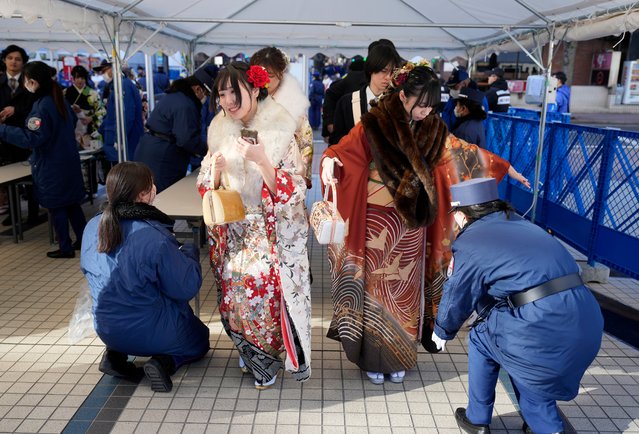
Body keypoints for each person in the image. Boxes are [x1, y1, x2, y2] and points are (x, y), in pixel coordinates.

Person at [320, 62, 530, 385]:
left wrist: (504, 167)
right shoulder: (374, 124)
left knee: (405, 293)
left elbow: (463, 154)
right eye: (421, 104)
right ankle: (374, 357)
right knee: (377, 290)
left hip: (412, 226)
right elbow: (342, 150)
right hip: (377, 220)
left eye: (432, 105)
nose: (427, 111)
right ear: (403, 95)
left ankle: (400, 354)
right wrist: (329, 162)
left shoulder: (433, 128)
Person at [433, 177, 603, 434]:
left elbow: (457, 291)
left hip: (540, 329)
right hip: (587, 321)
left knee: (483, 338)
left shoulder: (471, 241)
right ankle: (534, 418)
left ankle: (478, 419)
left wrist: (442, 330)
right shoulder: (526, 225)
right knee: (519, 352)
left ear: (461, 215)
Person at [196, 62, 311, 389]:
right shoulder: (220, 129)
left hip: (270, 233)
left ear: (256, 90)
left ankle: (266, 359)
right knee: (233, 291)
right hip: (233, 230)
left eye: (236, 92)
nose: (228, 100)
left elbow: (296, 187)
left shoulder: (280, 130)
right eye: (222, 93)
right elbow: (206, 182)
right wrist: (216, 171)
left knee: (261, 287)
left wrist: (262, 160)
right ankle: (250, 350)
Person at [80, 162, 209, 393]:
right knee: (200, 339)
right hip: (154, 332)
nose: (155, 188)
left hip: (106, 329)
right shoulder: (153, 236)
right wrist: (189, 252)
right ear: (143, 194)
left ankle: (115, 357)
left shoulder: (92, 226)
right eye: (152, 185)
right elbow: (185, 287)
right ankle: (163, 362)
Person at [0, 61, 87, 258]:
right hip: (68, 160)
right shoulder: (57, 99)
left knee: (57, 206)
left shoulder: (41, 106)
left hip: (51, 164)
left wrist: (3, 130)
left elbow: (32, 137)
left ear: (32, 81)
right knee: (72, 203)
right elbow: (72, 122)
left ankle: (65, 248)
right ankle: (83, 239)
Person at [133, 67, 215, 192]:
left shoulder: (177, 96)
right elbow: (187, 139)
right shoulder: (186, 104)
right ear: (198, 89)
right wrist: (210, 151)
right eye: (206, 94)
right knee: (162, 197)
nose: (205, 99)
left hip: (152, 150)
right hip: (163, 158)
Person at [250, 46, 314, 188]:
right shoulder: (250, 98)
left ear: (281, 74)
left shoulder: (291, 103)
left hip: (285, 170)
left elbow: (306, 140)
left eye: (271, 76)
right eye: (261, 75)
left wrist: (302, 172)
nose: (266, 80)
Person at [330, 43, 401, 145]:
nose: (388, 77)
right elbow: (336, 140)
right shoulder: (347, 103)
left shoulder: (398, 104)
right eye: (384, 71)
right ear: (371, 69)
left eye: (392, 73)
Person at [0, 44, 40, 225]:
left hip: (24, 135)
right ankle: (14, 213)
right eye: (10, 58)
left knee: (29, 175)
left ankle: (33, 212)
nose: (13, 62)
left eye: (17, 59)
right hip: (3, 138)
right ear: (4, 60)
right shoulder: (0, 81)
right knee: (8, 177)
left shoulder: (29, 82)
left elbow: (35, 108)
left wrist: (16, 109)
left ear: (23, 63)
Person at [93, 59, 144, 170]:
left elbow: (127, 115)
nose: (103, 74)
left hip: (126, 143)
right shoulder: (116, 87)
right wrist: (100, 130)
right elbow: (112, 115)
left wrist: (119, 138)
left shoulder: (123, 86)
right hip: (117, 143)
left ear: (114, 68)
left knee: (127, 175)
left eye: (105, 70)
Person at [321, 54, 366, 143]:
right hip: (362, 130)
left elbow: (329, 97)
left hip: (342, 130)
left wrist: (328, 124)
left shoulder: (344, 81)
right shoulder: (369, 82)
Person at [64, 65, 106, 149]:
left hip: (88, 127)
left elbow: (102, 110)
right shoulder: (66, 92)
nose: (80, 80)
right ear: (73, 78)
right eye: (77, 78)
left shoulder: (92, 93)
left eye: (82, 78)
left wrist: (91, 118)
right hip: (72, 128)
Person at [441, 66, 489, 131]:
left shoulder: (479, 99)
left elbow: (482, 124)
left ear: (464, 84)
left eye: (454, 87)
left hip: (465, 136)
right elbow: (446, 112)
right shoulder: (455, 96)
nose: (451, 90)